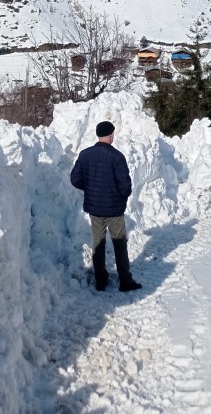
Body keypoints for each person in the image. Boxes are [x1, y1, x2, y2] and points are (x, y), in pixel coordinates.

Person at [70, 120, 142, 293]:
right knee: (119, 244)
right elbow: (125, 186)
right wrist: (120, 196)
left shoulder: (85, 155)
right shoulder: (117, 157)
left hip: (94, 209)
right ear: (110, 135)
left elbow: (75, 179)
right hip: (114, 209)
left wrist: (91, 189)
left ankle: (100, 280)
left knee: (98, 243)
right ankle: (125, 281)